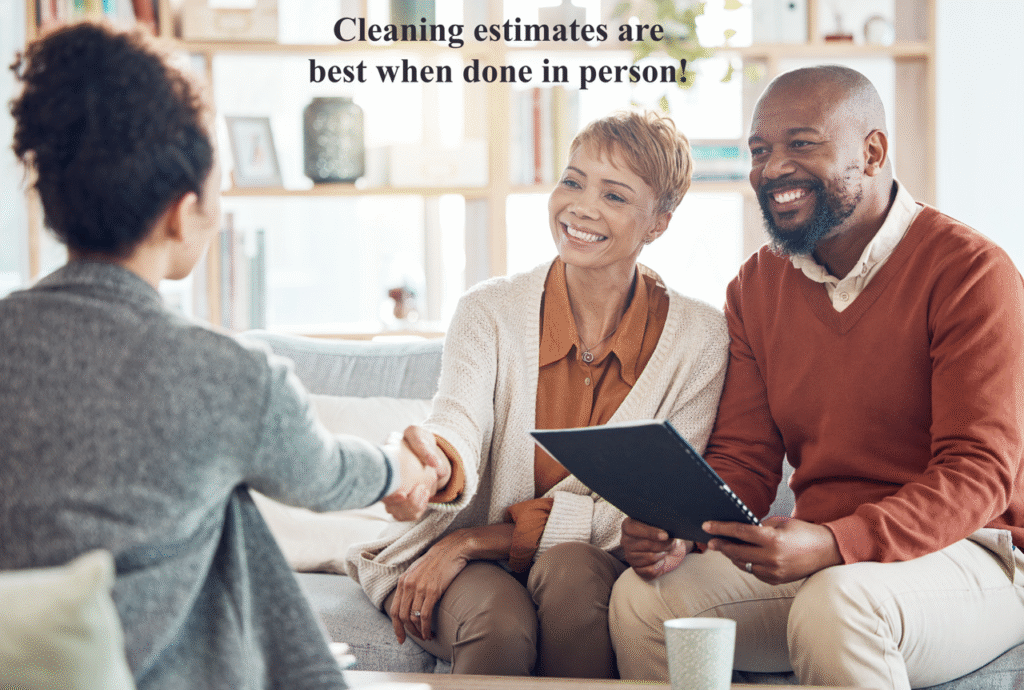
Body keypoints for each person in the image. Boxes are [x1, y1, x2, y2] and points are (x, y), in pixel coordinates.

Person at [0, 21, 449, 690]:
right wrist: (401, 466)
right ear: (183, 214)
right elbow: (325, 475)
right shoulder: (226, 376)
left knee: (222, 497)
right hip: (146, 673)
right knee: (231, 504)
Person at [608, 64, 1024, 690]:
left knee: (839, 604)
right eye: (760, 151)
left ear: (872, 151)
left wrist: (835, 543)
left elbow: (979, 473)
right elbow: (745, 460)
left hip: (975, 554)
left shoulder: (970, 272)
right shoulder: (756, 287)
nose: (772, 168)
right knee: (644, 601)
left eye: (801, 144)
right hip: (825, 558)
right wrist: (681, 529)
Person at [346, 110, 729, 677]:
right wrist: (430, 469)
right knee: (499, 624)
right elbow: (457, 425)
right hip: (465, 557)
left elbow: (651, 504)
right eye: (572, 181)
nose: (580, 207)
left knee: (573, 576)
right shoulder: (488, 310)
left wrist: (478, 540)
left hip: (586, 561)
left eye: (615, 196)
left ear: (659, 223)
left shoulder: (700, 338)